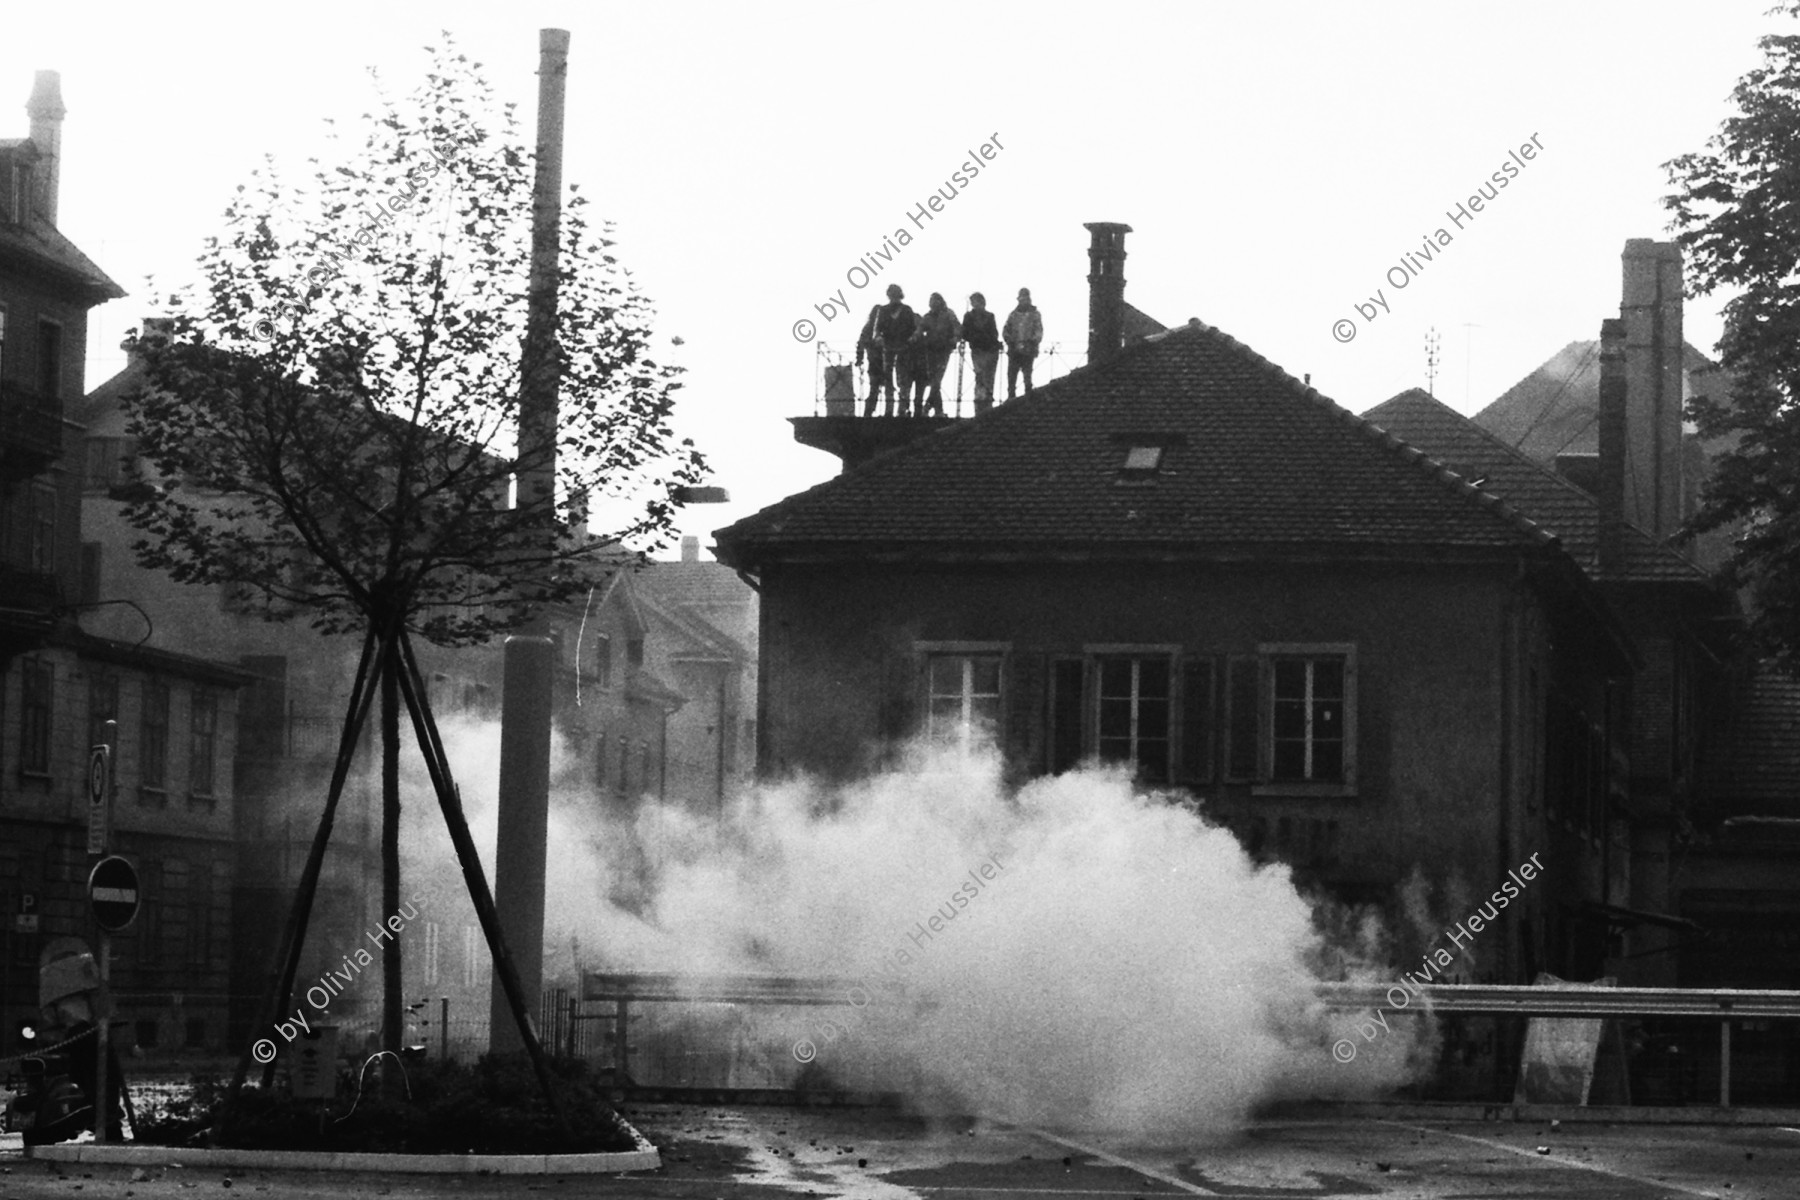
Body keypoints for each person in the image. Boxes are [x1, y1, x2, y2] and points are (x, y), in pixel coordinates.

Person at [873, 284, 918, 417]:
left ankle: (902, 408)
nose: (892, 297)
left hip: (904, 348)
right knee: (888, 378)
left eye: (894, 294)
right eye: (891, 294)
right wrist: (878, 338)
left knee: (903, 378)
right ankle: (889, 408)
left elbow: (913, 328)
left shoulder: (907, 310)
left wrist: (912, 339)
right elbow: (877, 328)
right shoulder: (883, 310)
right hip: (888, 348)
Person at [918, 293, 962, 416]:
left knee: (936, 380)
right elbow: (920, 328)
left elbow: (957, 327)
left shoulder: (948, 314)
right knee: (934, 380)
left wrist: (955, 338)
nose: (933, 303)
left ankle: (927, 407)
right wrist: (915, 337)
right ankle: (938, 410)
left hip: (943, 349)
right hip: (930, 349)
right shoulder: (928, 316)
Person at [961, 292, 1000, 413]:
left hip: (989, 349)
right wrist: (976, 337)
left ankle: (986, 399)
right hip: (978, 349)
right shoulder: (969, 316)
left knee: (988, 375)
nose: (976, 304)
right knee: (980, 375)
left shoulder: (989, 316)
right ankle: (980, 400)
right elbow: (965, 333)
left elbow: (994, 333)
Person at [1003, 287, 1042, 400]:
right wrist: (1010, 341)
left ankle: (1028, 396)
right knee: (1011, 375)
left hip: (1028, 349)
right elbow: (1006, 330)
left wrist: (1032, 341)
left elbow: (1038, 330)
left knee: (1027, 374)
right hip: (1014, 349)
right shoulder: (1013, 315)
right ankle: (1011, 396)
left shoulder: (1035, 314)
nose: (1023, 300)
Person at [855, 303, 886, 417]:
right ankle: (872, 410)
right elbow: (862, 343)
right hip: (878, 360)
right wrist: (860, 357)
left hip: (875, 360)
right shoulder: (873, 327)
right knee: (877, 387)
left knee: (875, 387)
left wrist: (859, 358)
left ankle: (869, 411)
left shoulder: (869, 327)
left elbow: (861, 343)